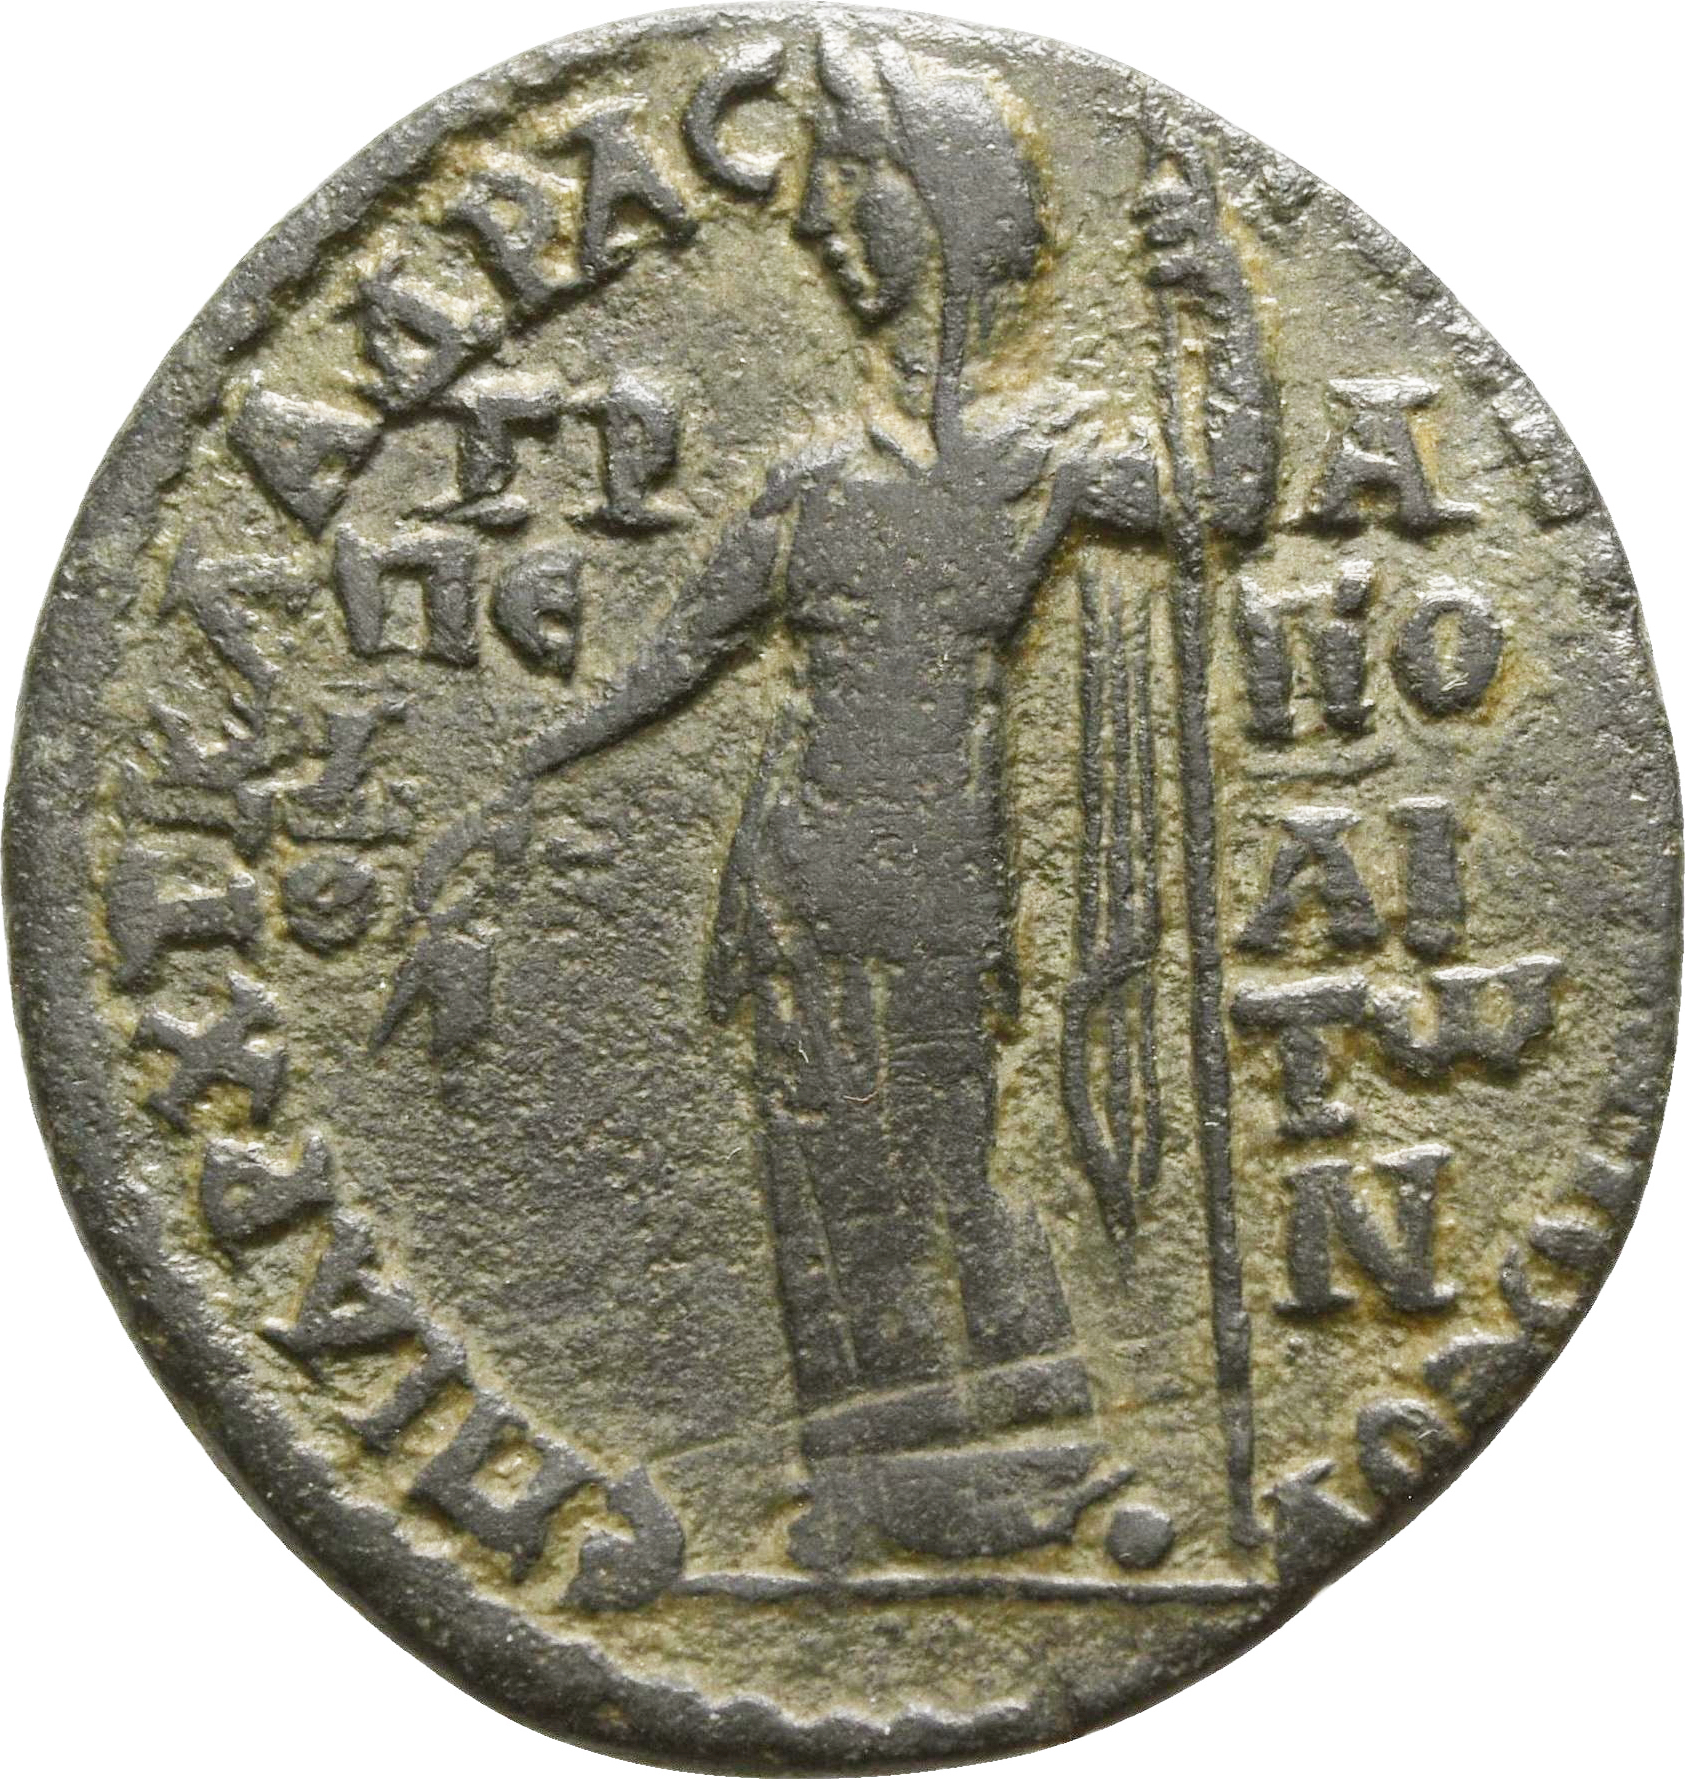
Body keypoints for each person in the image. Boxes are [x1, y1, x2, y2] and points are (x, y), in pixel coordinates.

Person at [437, 30, 1274, 1569]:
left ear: (926, 211)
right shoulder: (813, 475)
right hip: (794, 879)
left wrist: (1216, 297)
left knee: (940, 1167)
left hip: (936, 872)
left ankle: (1037, 1472)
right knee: (824, 1180)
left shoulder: (1039, 453)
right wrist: (539, 760)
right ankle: (871, 1495)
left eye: (847, 189)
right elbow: (683, 655)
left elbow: (1221, 502)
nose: (820, 224)